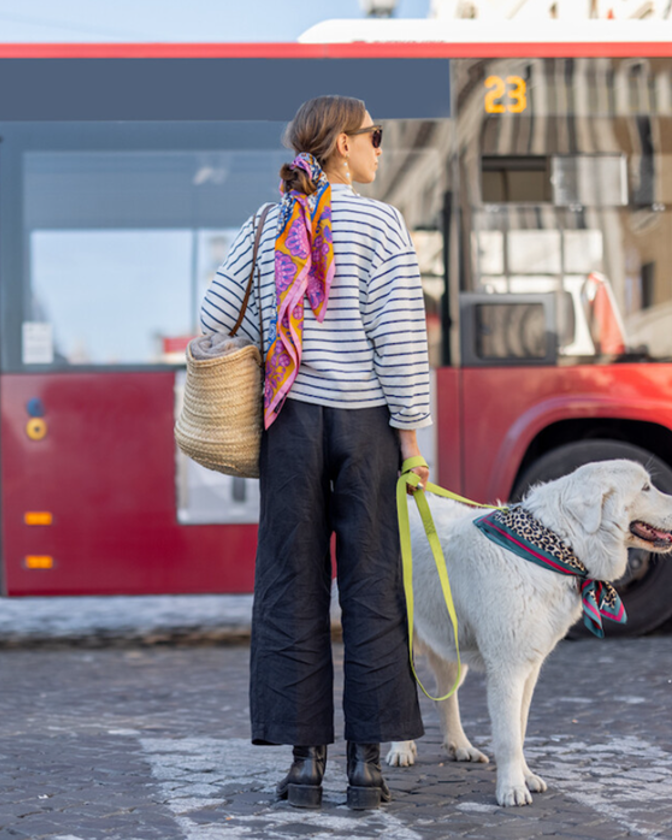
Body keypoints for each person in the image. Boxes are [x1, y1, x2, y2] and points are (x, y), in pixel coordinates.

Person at [199, 96, 432, 811]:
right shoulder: (380, 221)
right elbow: (399, 342)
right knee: (374, 590)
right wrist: (413, 440)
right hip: (365, 429)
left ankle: (304, 767)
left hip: (290, 424)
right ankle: (368, 768)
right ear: (340, 146)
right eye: (374, 136)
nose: (381, 148)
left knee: (289, 590)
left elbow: (212, 318)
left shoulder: (267, 220)